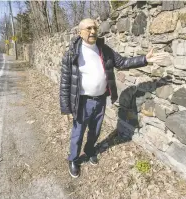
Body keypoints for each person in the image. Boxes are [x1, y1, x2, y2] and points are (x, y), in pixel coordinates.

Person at [60, 18, 168, 178]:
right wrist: (66, 108)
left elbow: (122, 62)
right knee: (78, 133)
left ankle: (89, 151)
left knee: (95, 131)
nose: (93, 32)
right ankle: (74, 159)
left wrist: (144, 59)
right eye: (88, 28)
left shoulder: (104, 49)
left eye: (95, 28)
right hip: (81, 101)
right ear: (79, 32)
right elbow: (65, 83)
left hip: (100, 99)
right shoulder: (72, 54)